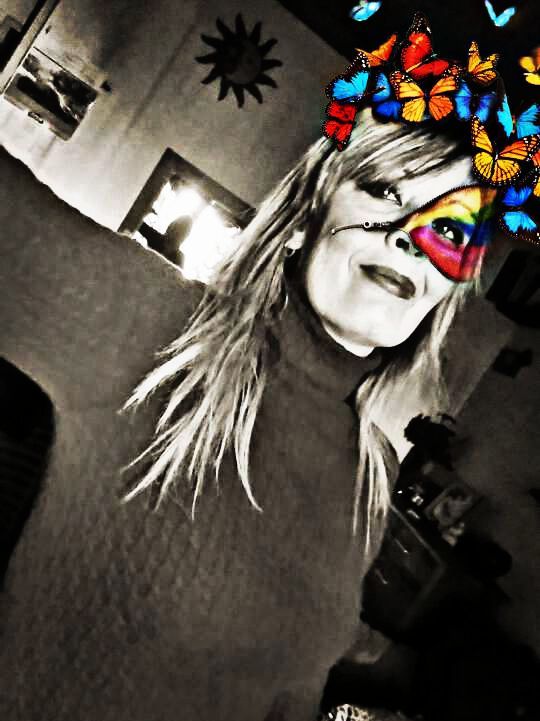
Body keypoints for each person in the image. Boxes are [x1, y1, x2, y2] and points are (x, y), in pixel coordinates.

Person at [0, 16, 532, 721]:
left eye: (451, 227)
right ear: (309, 214)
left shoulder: (372, 473)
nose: (410, 238)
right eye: (384, 193)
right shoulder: (157, 330)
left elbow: (290, 686)